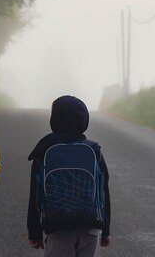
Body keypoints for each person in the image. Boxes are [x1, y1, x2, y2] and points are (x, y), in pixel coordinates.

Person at [27, 95, 112, 256]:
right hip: (91, 227)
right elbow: (104, 192)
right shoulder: (94, 150)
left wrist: (35, 233)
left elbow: (36, 195)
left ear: (55, 119)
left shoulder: (45, 150)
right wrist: (106, 230)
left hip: (58, 227)